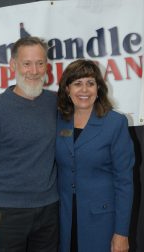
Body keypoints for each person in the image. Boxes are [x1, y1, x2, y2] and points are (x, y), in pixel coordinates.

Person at [0, 36, 59, 252]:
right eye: (26, 63)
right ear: (13, 65)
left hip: (49, 211)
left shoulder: (56, 103)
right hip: (5, 214)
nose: (34, 70)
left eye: (40, 63)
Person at [56, 59, 134, 252]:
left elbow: (124, 182)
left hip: (102, 222)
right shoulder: (58, 120)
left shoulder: (115, 123)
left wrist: (121, 233)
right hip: (63, 221)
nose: (84, 90)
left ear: (98, 88)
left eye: (90, 83)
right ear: (67, 89)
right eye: (77, 84)